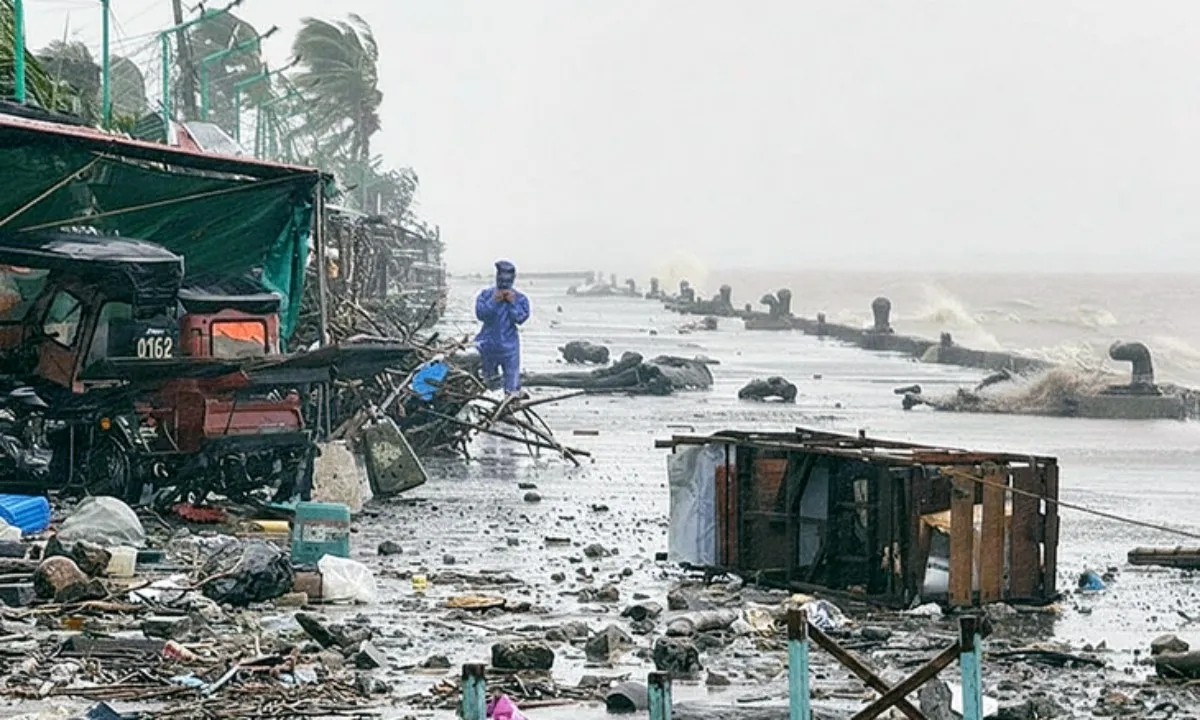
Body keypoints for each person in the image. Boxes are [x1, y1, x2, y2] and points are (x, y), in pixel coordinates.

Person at [475, 259, 530, 395]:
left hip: (510, 347)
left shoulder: (520, 298)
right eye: (501, 279)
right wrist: (494, 301)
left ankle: (508, 407)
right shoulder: (486, 295)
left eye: (507, 280)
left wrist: (512, 303)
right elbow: (481, 314)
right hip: (488, 345)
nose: (504, 283)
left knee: (511, 385)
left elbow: (521, 318)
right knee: (488, 384)